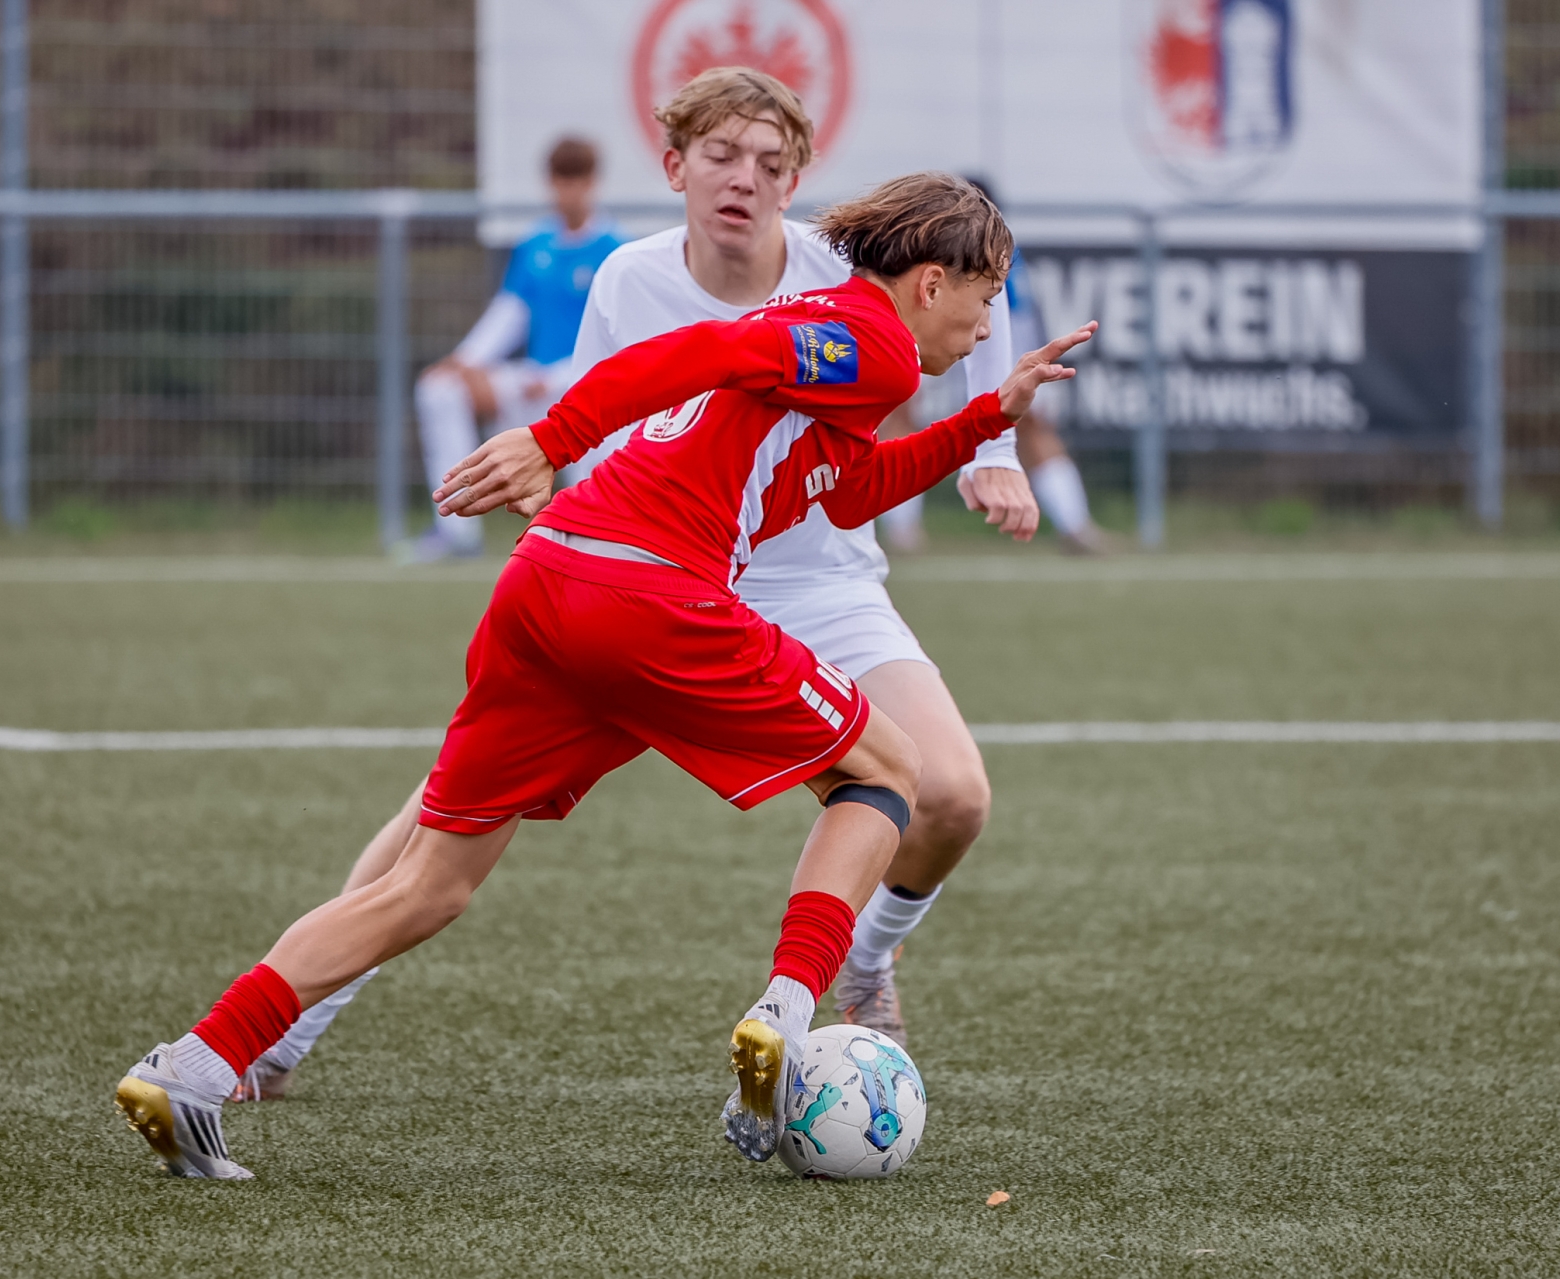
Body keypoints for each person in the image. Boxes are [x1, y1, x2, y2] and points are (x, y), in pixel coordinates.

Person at [113, 171, 1095, 1180]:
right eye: (986, 299)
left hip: (549, 578)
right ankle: (787, 1012)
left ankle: (194, 1066)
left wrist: (988, 418)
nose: (988, 328)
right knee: (890, 772)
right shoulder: (873, 341)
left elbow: (846, 495)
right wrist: (552, 437)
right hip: (650, 592)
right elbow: (704, 349)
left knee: (430, 883)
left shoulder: (842, 351)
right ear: (930, 283)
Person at [407, 136, 621, 561]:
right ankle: (456, 531)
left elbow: (615, 341)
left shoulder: (615, 252)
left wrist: (558, 377)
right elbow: (510, 313)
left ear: (593, 183)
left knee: (600, 484)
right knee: (439, 388)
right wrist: (465, 362)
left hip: (579, 388)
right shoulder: (535, 246)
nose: (569, 192)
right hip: (528, 383)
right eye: (561, 181)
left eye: (577, 181)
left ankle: (605, 543)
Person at [968, 177, 1112, 555]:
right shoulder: (983, 251)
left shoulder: (1000, 250)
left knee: (1029, 433)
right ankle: (1074, 525)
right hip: (986, 353)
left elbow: (1017, 315)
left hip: (1002, 353)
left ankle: (1074, 525)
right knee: (1028, 433)